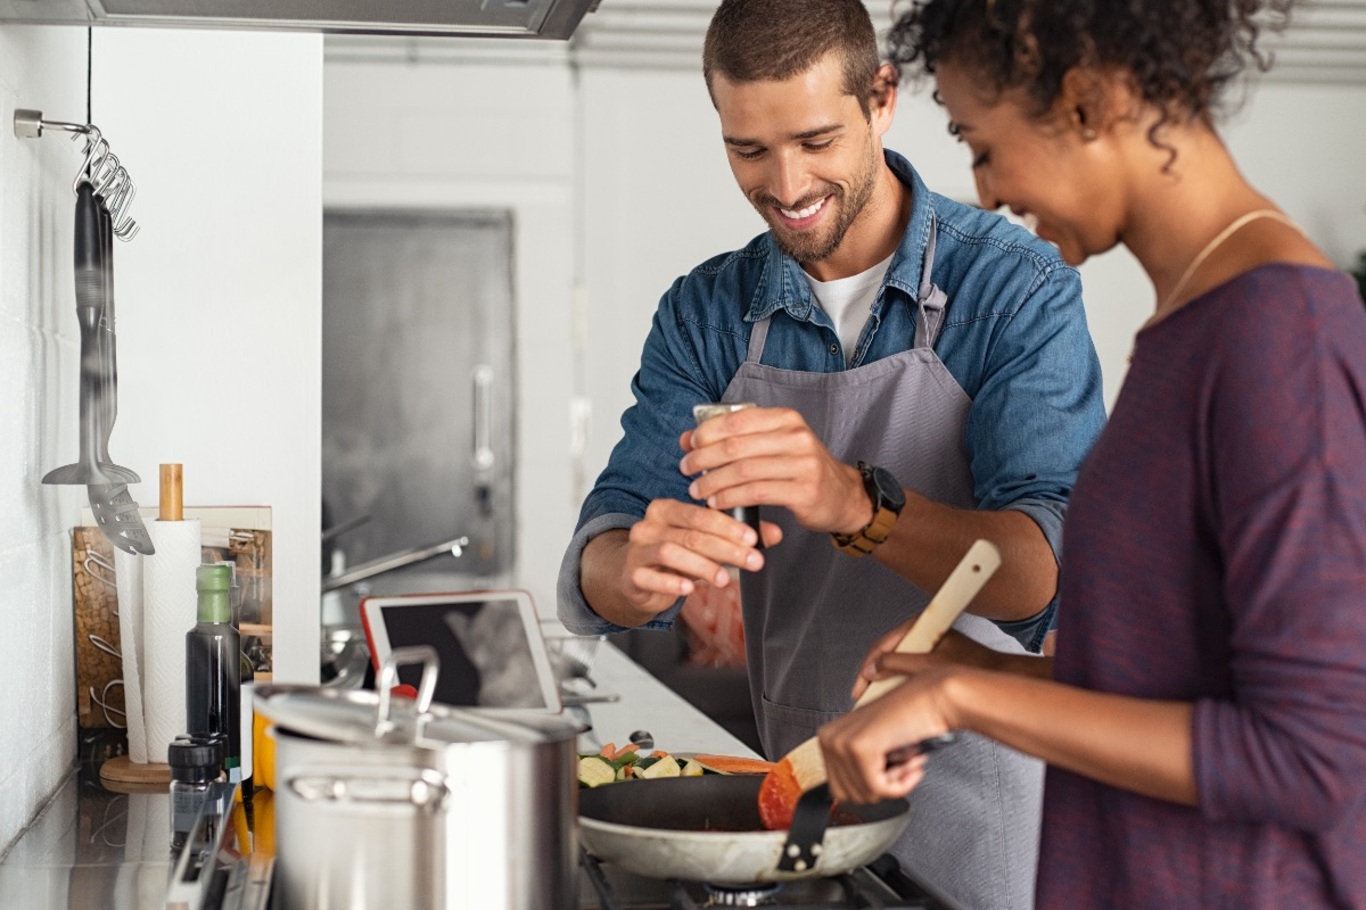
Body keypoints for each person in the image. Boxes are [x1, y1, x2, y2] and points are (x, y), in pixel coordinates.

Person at [817, 1, 1366, 907]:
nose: (983, 191)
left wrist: (965, 704)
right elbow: (1179, 680)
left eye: (981, 144)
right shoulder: (1191, 327)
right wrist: (981, 667)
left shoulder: (1281, 337)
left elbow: (1312, 756)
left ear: (1084, 103)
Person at [557, 0, 1107, 904]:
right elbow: (597, 563)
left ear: (881, 99)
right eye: (748, 150)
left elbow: (1045, 574)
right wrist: (636, 568)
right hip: (803, 808)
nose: (785, 182)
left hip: (986, 822)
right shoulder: (706, 313)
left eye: (815, 140)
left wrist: (855, 502)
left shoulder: (1015, 289)